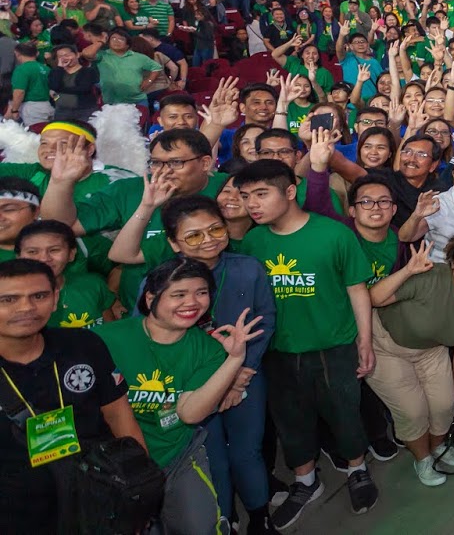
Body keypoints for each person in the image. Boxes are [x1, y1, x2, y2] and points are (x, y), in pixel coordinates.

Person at [233, 159, 379, 527]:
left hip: (334, 344)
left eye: (261, 194)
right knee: (290, 420)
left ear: (289, 192)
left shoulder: (334, 234)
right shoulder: (252, 242)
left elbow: (357, 289)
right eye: (247, 196)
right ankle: (305, 481)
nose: (253, 204)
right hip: (279, 351)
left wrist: (365, 339)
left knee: (344, 412)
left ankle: (357, 470)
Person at [94, 257, 264, 535]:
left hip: (177, 458)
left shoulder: (208, 349)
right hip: (115, 465)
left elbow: (190, 413)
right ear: (151, 298)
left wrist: (234, 359)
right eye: (178, 294)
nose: (192, 303)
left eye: (201, 293)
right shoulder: (106, 339)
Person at [0, 257, 146, 532]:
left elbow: (120, 417)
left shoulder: (83, 345)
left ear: (55, 299)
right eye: (8, 300)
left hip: (93, 497)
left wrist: (138, 491)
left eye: (39, 295)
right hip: (14, 512)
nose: (26, 308)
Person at [367, 232, 454, 487]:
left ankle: (437, 447)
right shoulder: (430, 276)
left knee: (444, 405)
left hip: (432, 350)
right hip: (386, 346)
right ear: (452, 261)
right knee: (414, 412)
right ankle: (422, 458)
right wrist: (407, 271)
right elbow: (374, 298)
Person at [15, 219, 116, 328]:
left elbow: (110, 332)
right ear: (19, 257)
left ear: (71, 254)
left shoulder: (94, 285)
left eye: (54, 250)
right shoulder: (7, 297)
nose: (44, 258)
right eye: (32, 252)